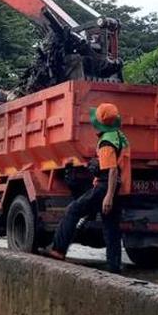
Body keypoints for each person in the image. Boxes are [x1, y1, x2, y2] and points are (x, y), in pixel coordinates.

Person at [46, 102, 130, 272]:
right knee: (111, 227)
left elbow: (112, 170)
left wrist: (108, 196)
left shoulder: (106, 143)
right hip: (119, 187)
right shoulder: (120, 136)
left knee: (73, 210)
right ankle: (114, 267)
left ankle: (58, 250)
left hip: (105, 187)